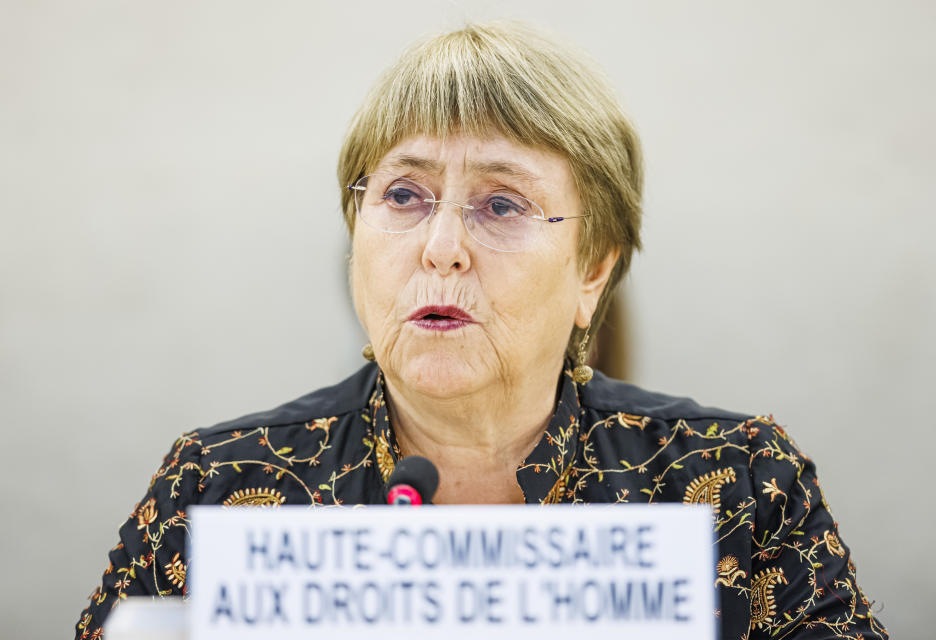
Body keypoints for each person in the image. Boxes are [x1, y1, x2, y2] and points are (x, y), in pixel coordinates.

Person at [75, 22, 888, 640]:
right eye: (401, 196)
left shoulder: (738, 482)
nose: (440, 247)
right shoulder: (217, 486)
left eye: (501, 203)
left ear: (592, 270)